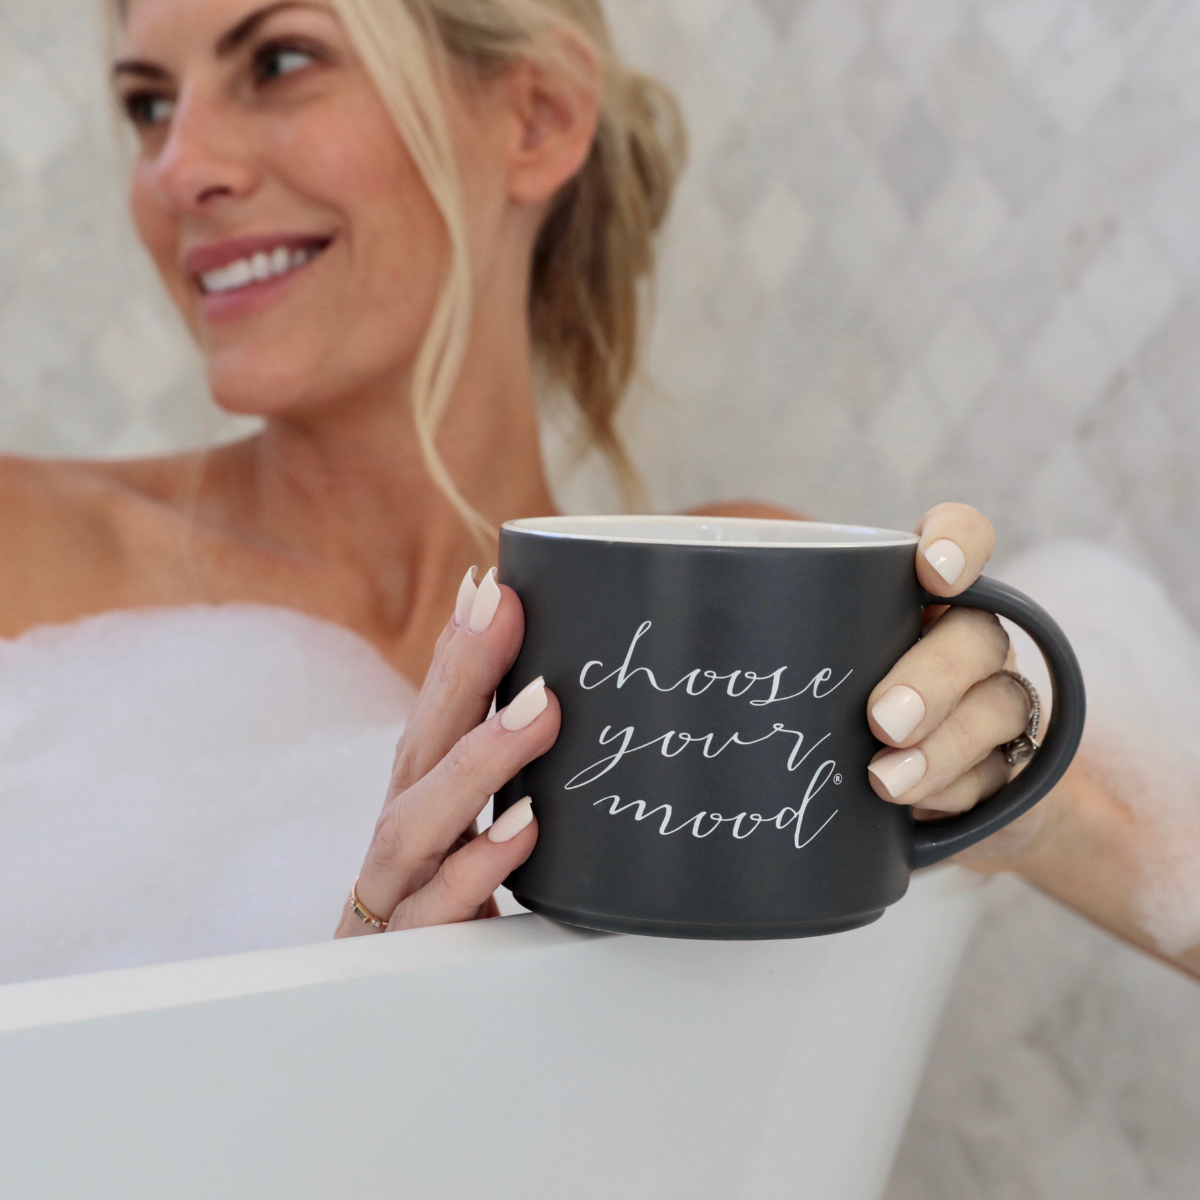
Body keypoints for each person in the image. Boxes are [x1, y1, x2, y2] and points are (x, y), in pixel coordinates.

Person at [0, 0, 1192, 983]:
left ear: (537, 117)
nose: (178, 169)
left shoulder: (758, 604)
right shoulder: (26, 554)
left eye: (279, 61)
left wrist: (1042, 812)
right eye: (147, 103)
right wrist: (348, 1003)